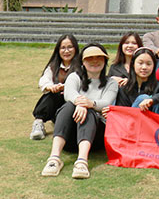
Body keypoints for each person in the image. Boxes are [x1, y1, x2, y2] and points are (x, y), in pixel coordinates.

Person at [40, 44, 118, 179]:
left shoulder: (111, 83)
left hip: (95, 137)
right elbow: (69, 94)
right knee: (68, 106)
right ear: (83, 62)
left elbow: (106, 102)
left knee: (89, 111)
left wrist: (90, 104)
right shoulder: (74, 77)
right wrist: (80, 103)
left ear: (105, 61)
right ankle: (54, 158)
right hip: (70, 136)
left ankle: (82, 161)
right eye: (90, 58)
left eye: (99, 57)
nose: (95, 61)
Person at [31, 34, 80, 141]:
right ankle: (39, 122)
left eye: (70, 47)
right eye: (63, 48)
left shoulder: (81, 66)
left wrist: (68, 88)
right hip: (57, 105)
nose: (66, 51)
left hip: (73, 105)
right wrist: (51, 87)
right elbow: (44, 81)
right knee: (53, 94)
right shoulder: (53, 66)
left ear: (75, 48)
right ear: (58, 50)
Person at [108, 48, 159, 117]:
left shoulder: (157, 85)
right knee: (143, 98)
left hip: (153, 122)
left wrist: (152, 100)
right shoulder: (125, 87)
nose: (144, 67)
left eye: (148, 64)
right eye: (140, 63)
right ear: (133, 64)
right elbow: (121, 113)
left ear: (154, 66)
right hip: (131, 121)